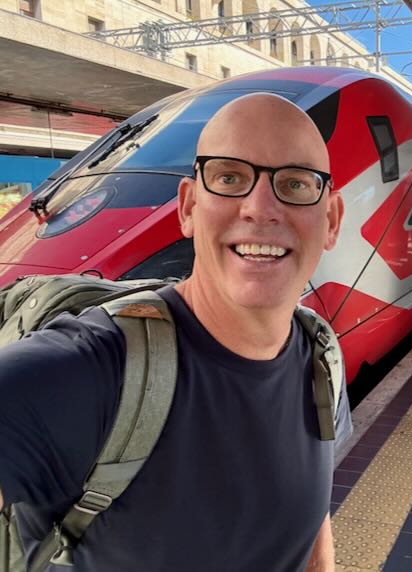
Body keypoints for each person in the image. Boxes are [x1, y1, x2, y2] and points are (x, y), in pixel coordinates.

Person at [0, 94, 351, 571]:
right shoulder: (85, 370)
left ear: (329, 221)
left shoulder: (321, 356)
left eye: (295, 182)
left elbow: (311, 518)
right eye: (229, 177)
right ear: (187, 207)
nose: (260, 208)